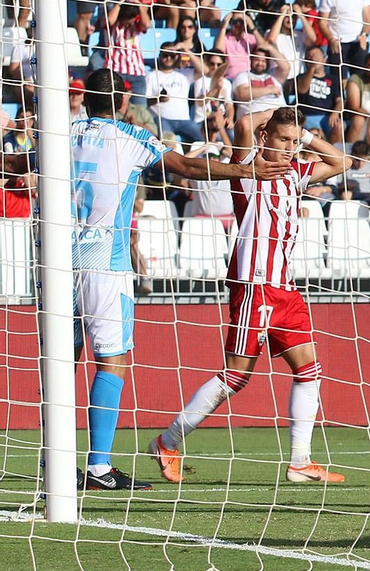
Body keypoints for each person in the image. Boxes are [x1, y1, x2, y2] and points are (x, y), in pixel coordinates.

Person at [67, 69, 286, 490]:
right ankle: (97, 467)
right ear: (123, 101)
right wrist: (247, 171)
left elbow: (18, 162)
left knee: (59, 362)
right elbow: (185, 165)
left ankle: (52, 459)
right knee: (111, 359)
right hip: (104, 266)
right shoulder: (129, 136)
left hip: (57, 264)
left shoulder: (61, 134)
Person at [148, 106, 348, 485]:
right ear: (264, 137)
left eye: (294, 142)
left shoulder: (296, 172)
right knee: (235, 378)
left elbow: (339, 162)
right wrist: (276, 109)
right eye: (282, 139)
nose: (289, 148)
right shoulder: (248, 170)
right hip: (254, 285)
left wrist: (303, 135)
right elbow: (242, 123)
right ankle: (168, 441)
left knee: (310, 370)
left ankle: (300, 462)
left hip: (286, 289)